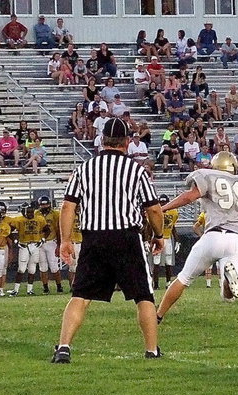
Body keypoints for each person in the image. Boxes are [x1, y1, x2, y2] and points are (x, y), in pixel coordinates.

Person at [54, 118, 166, 364]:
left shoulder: (84, 169)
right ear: (127, 142)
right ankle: (151, 350)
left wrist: (65, 240)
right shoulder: (136, 170)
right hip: (126, 236)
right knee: (143, 296)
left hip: (94, 237)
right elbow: (154, 210)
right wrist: (158, 235)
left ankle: (63, 347)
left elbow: (68, 206)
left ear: (102, 140)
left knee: (80, 295)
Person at [156, 152, 238, 323]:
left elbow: (188, 197)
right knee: (228, 296)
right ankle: (226, 283)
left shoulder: (208, 176)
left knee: (184, 278)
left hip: (212, 236)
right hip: (237, 240)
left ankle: (158, 315)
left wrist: (162, 209)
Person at [8, 203, 48, 297]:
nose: (30, 214)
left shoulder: (39, 219)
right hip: (24, 245)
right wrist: (15, 241)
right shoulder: (19, 220)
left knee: (32, 269)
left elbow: (47, 230)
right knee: (21, 269)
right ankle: (15, 290)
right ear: (23, 212)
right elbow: (9, 231)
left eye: (31, 212)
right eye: (28, 212)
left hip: (35, 244)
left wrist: (42, 240)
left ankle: (30, 289)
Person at [156, 194, 179, 289]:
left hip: (168, 239)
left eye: (164, 202)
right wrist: (147, 240)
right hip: (158, 238)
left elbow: (173, 227)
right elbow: (150, 226)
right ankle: (155, 284)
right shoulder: (156, 211)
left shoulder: (173, 212)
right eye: (161, 202)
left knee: (168, 262)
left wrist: (177, 240)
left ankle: (168, 283)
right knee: (156, 263)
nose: (163, 204)